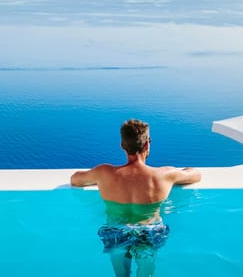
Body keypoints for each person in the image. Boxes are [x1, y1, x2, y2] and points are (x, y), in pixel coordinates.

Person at [70, 119, 201, 277]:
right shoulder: (165, 175)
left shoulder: (104, 173)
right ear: (147, 145)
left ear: (122, 146)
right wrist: (185, 170)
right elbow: (195, 175)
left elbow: (75, 179)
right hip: (150, 231)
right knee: (146, 273)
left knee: (121, 275)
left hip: (115, 231)